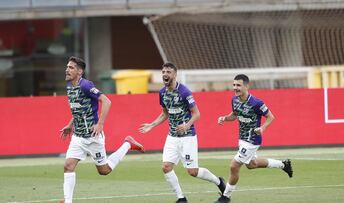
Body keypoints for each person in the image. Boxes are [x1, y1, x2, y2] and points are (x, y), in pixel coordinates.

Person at [60, 56, 145, 203]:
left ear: (80, 72)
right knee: (68, 165)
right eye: (67, 67)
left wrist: (100, 124)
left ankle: (128, 144)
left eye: (71, 67)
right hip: (78, 137)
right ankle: (68, 201)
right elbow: (79, 110)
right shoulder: (70, 87)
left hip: (93, 137)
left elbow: (107, 101)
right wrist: (70, 125)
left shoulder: (86, 85)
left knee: (104, 170)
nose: (67, 69)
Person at [139, 62, 225, 203]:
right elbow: (165, 113)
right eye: (163, 72)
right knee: (166, 167)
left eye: (168, 72)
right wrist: (152, 125)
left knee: (193, 172)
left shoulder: (184, 92)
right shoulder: (162, 93)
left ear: (174, 74)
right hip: (172, 136)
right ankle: (181, 198)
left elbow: (196, 114)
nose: (165, 74)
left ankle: (219, 181)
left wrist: (187, 125)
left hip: (188, 136)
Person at [213, 74, 293, 203]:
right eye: (234, 85)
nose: (235, 88)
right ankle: (283, 164)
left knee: (234, 166)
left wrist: (262, 128)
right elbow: (234, 115)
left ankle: (226, 196)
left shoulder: (256, 103)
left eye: (238, 85)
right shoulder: (234, 100)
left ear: (246, 86)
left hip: (252, 140)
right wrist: (224, 118)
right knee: (252, 164)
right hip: (242, 139)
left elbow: (271, 117)